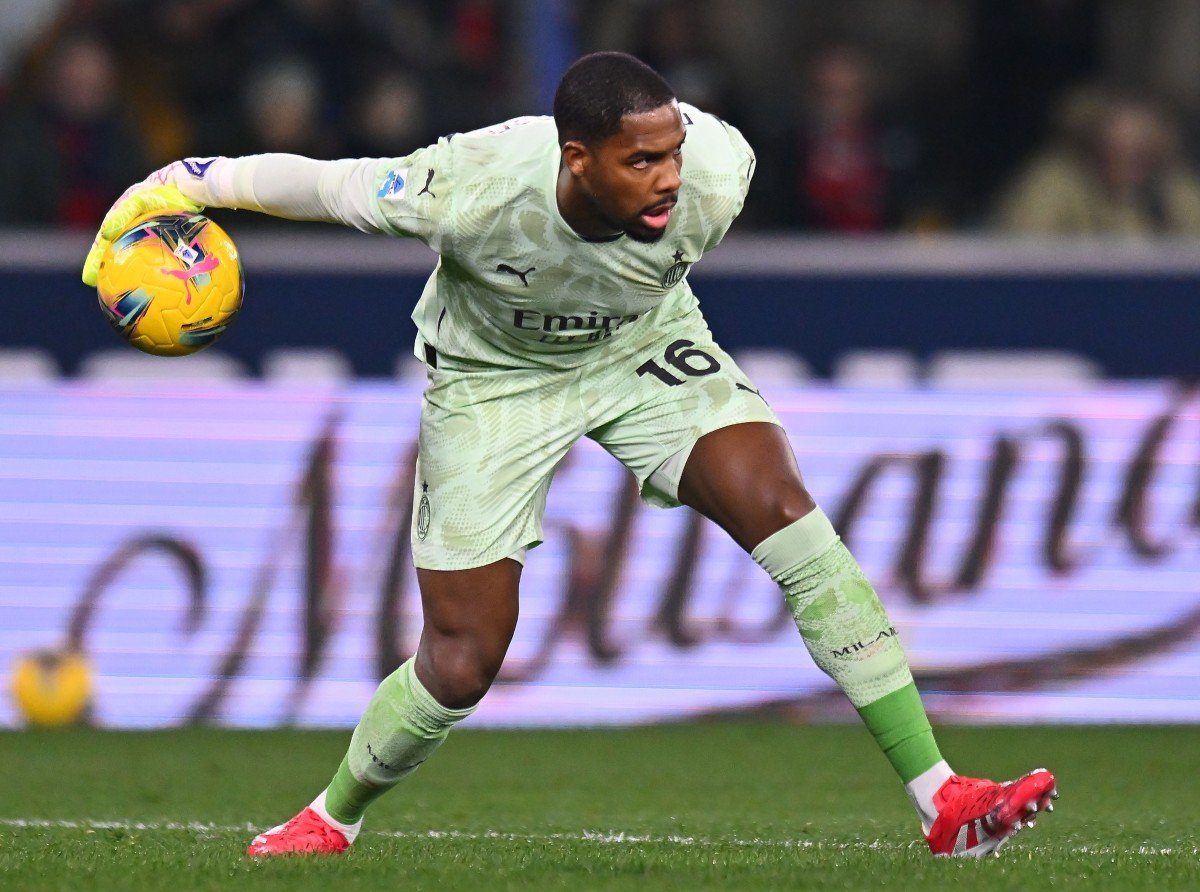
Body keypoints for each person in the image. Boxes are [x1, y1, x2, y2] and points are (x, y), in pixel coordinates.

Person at [82, 51, 1056, 859]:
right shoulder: (468, 187)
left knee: (783, 508)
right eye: (642, 162)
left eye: (672, 152)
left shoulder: (718, 173)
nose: (669, 179)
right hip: (494, 381)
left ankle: (942, 798)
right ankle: (330, 818)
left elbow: (686, 182)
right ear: (577, 159)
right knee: (463, 660)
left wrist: (675, 178)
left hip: (639, 351)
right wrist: (167, 186)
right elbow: (312, 185)